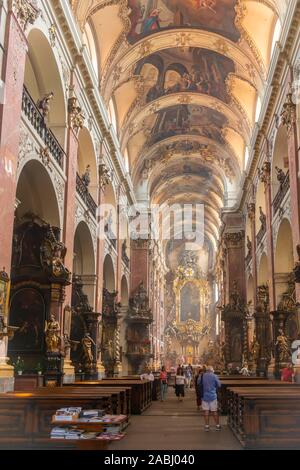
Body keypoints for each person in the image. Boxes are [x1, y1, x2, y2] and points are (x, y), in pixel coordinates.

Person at [200, 365, 221, 432]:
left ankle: (207, 426)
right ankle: (217, 425)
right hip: (212, 395)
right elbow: (219, 385)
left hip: (204, 396)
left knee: (206, 411)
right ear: (212, 370)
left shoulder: (202, 376)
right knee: (214, 411)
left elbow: (198, 383)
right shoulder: (214, 376)